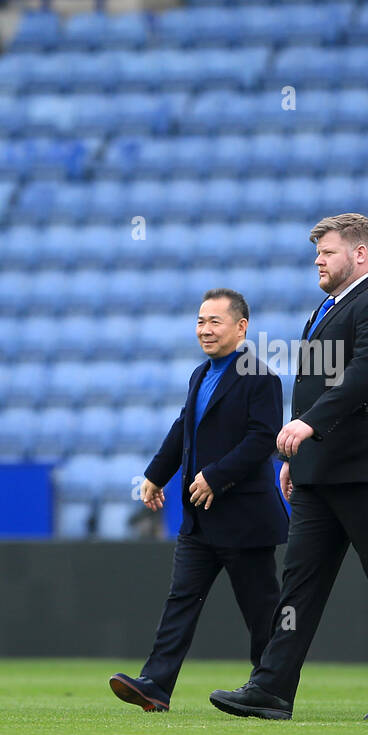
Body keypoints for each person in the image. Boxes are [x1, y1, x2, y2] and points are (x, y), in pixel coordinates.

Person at [209, 213, 368, 720]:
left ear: (359, 254)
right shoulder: (331, 306)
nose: (318, 261)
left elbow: (363, 377)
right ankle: (271, 688)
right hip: (320, 470)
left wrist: (307, 427)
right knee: (299, 587)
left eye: (327, 253)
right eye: (317, 253)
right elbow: (317, 384)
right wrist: (299, 451)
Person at [110, 289, 287, 712]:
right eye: (200, 321)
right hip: (199, 518)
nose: (205, 330)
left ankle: (271, 690)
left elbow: (263, 440)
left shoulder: (261, 377)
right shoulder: (199, 374)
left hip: (244, 518)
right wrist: (156, 475)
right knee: (181, 601)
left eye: (215, 321)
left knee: (261, 611)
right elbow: (182, 429)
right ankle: (155, 685)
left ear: (241, 327)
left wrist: (216, 476)